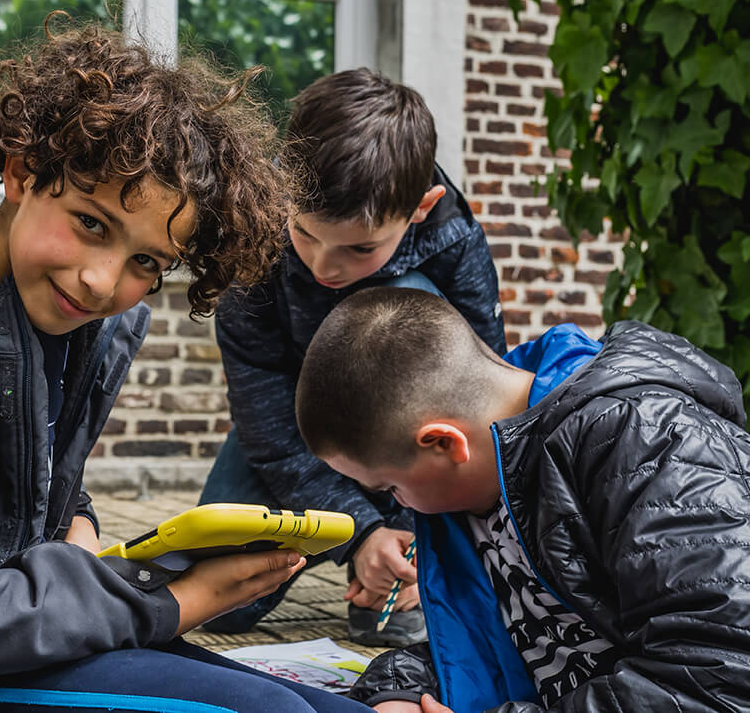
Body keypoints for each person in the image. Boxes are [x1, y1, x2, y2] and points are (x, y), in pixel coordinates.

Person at [0, 18, 370, 713]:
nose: (100, 281)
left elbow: (26, 481)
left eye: (146, 263)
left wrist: (81, 527)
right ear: (23, 172)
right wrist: (175, 602)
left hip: (28, 631)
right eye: (92, 223)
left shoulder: (77, 323)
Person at [294, 286, 750, 712]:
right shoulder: (474, 491)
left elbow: (719, 673)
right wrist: (398, 690)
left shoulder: (648, 442)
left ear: (445, 444)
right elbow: (504, 641)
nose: (402, 505)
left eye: (389, 488)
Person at [199, 68, 506, 645]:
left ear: (422, 206)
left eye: (359, 248)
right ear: (285, 191)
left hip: (404, 429)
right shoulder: (248, 232)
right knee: (219, 606)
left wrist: (406, 543)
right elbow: (263, 417)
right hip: (295, 423)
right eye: (305, 233)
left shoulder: (453, 243)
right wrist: (359, 533)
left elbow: (481, 412)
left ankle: (409, 575)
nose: (323, 267)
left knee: (421, 311)